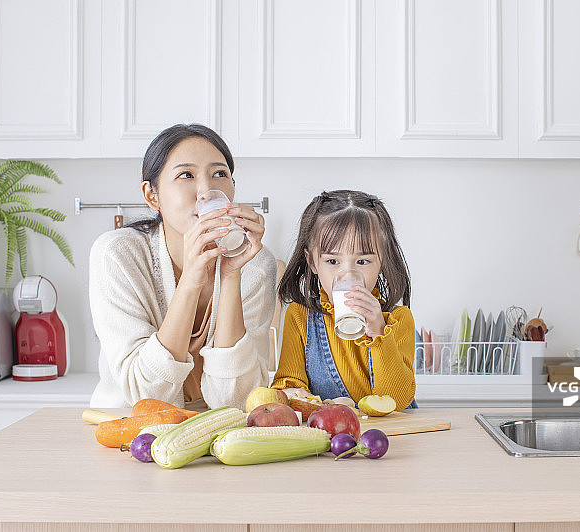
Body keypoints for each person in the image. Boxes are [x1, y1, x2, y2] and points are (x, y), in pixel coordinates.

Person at [89, 124, 276, 411]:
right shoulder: (117, 255)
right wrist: (190, 280)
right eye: (186, 175)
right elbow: (148, 396)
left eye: (219, 174)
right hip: (129, 425)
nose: (206, 191)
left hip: (216, 429)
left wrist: (230, 275)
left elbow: (238, 400)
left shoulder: (255, 264)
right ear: (152, 195)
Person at [271, 190, 417, 409]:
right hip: (332, 429)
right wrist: (291, 394)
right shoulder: (300, 316)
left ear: (382, 261)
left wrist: (379, 331)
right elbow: (290, 383)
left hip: (388, 430)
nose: (348, 276)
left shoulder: (398, 320)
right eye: (332, 261)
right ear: (312, 262)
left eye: (363, 261)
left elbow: (397, 401)